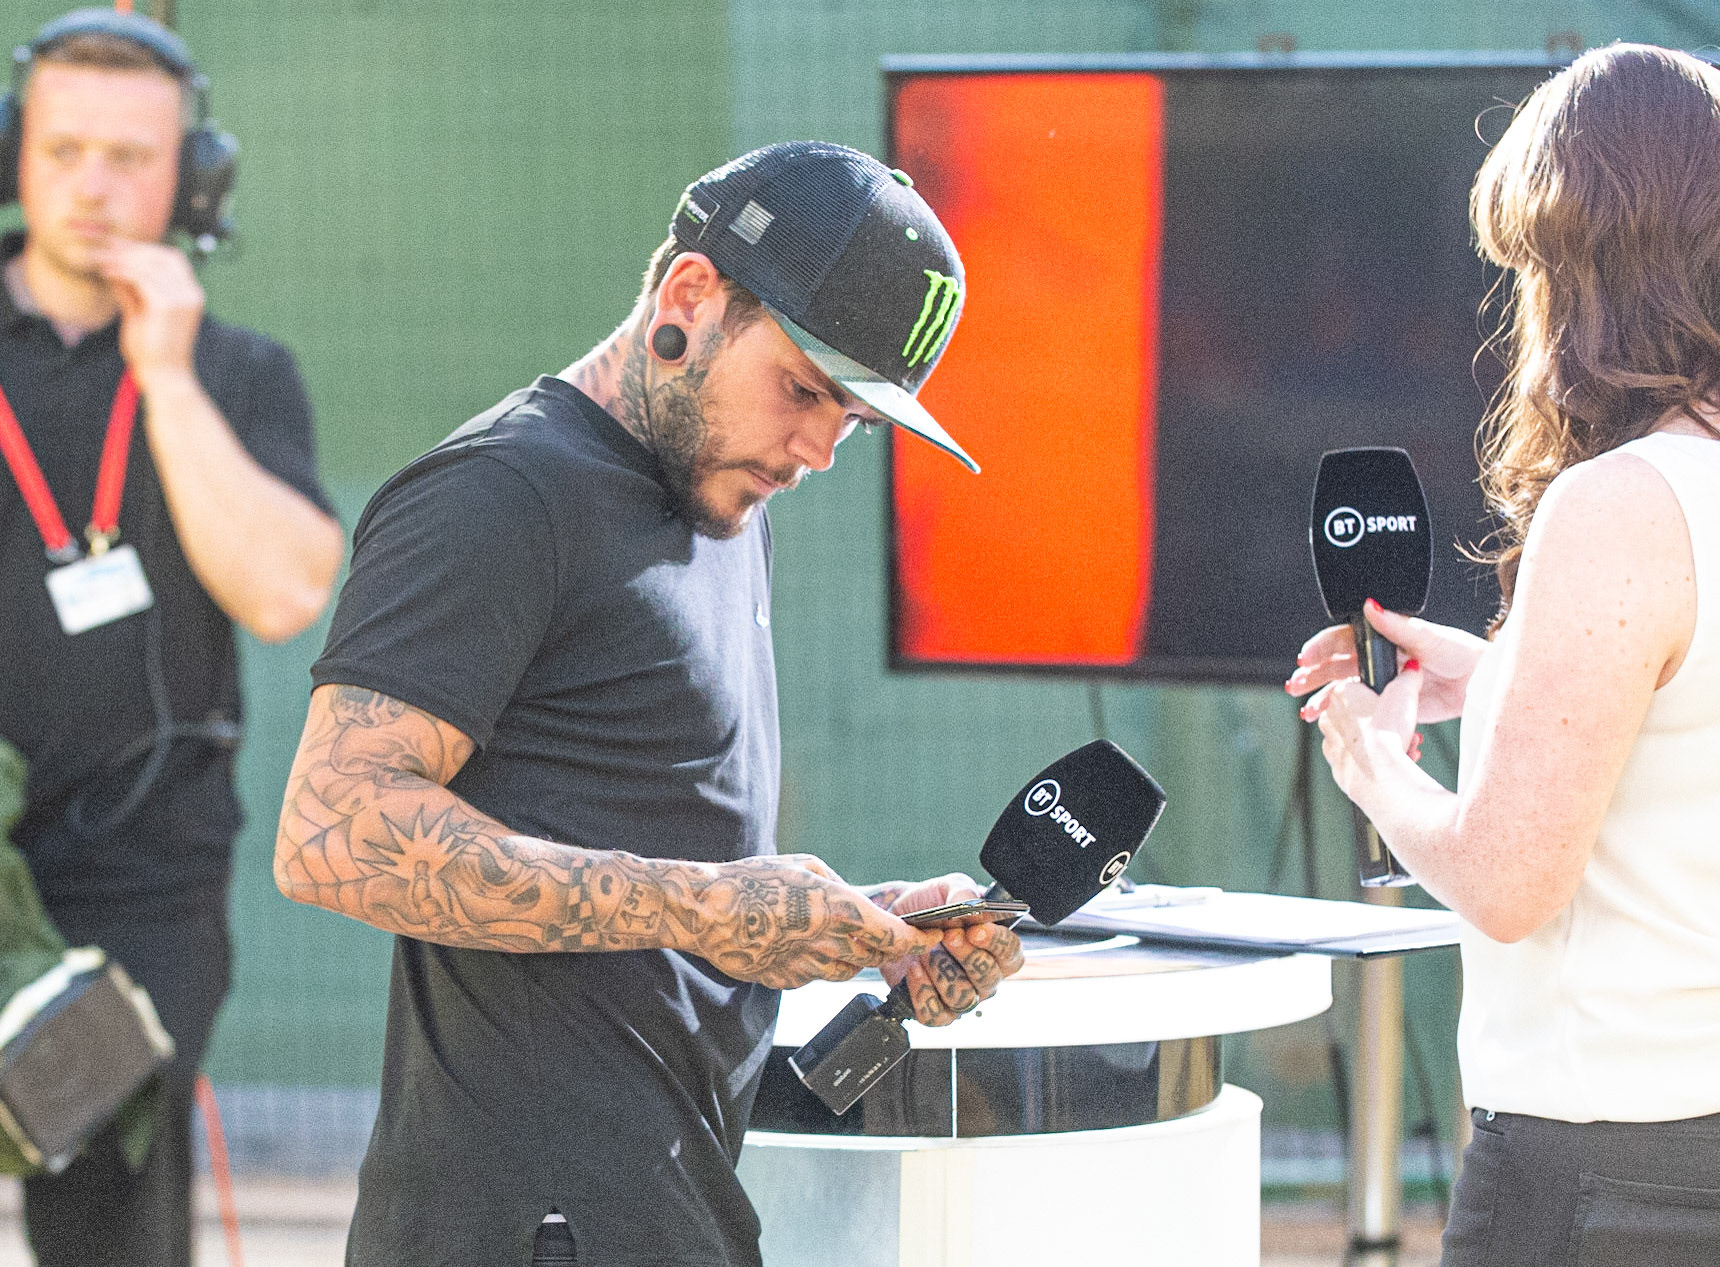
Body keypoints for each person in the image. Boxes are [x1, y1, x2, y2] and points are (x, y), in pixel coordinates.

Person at [274, 140, 1024, 1267]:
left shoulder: (725, 496)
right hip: (527, 1224)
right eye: (805, 390)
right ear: (689, 299)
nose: (820, 447)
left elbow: (663, 852)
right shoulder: (500, 491)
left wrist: (866, 929)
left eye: (856, 421)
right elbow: (329, 836)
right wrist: (708, 910)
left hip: (666, 1207)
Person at [1286, 44, 1720, 1265]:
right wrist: (1503, 676)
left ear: (1591, 268)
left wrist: (1371, 758)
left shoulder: (1622, 501)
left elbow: (1507, 883)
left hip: (1623, 1180)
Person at [0, 8, 342, 1266]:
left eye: (132, 159)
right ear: (12, 159)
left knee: (107, 1218)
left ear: (190, 179)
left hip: (142, 878)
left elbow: (281, 592)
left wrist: (171, 374)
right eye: (62, 151)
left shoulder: (239, 373)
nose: (93, 186)